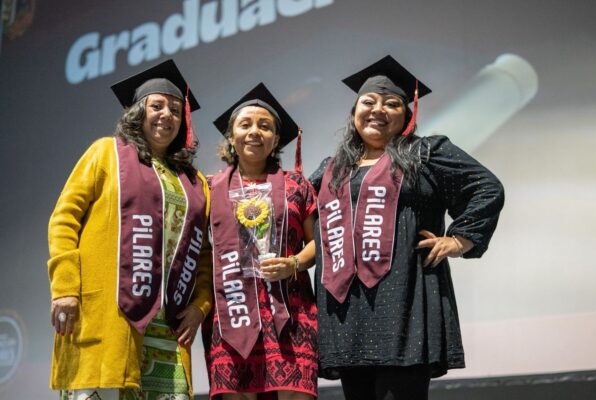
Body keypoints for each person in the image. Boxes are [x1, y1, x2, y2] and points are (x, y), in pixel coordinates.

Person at [309, 55, 505, 400]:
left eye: (391, 103)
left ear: (407, 115)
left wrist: (460, 239)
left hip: (405, 297)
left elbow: (486, 187)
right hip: (347, 305)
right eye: (369, 102)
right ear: (354, 112)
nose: (378, 109)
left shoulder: (425, 152)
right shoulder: (332, 168)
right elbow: (297, 208)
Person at [47, 59, 212, 400]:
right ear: (138, 112)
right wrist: (65, 288)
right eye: (157, 106)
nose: (167, 115)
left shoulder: (194, 183)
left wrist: (201, 305)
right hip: (111, 315)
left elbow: (204, 255)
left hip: (167, 329)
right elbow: (64, 219)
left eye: (175, 110)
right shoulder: (105, 154)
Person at [203, 83, 318, 400]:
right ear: (231, 136)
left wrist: (293, 263)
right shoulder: (209, 188)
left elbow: (318, 244)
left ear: (276, 139)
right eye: (245, 124)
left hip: (291, 311)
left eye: (265, 126)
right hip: (233, 310)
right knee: (239, 394)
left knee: (294, 393)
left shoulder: (297, 185)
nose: (255, 132)